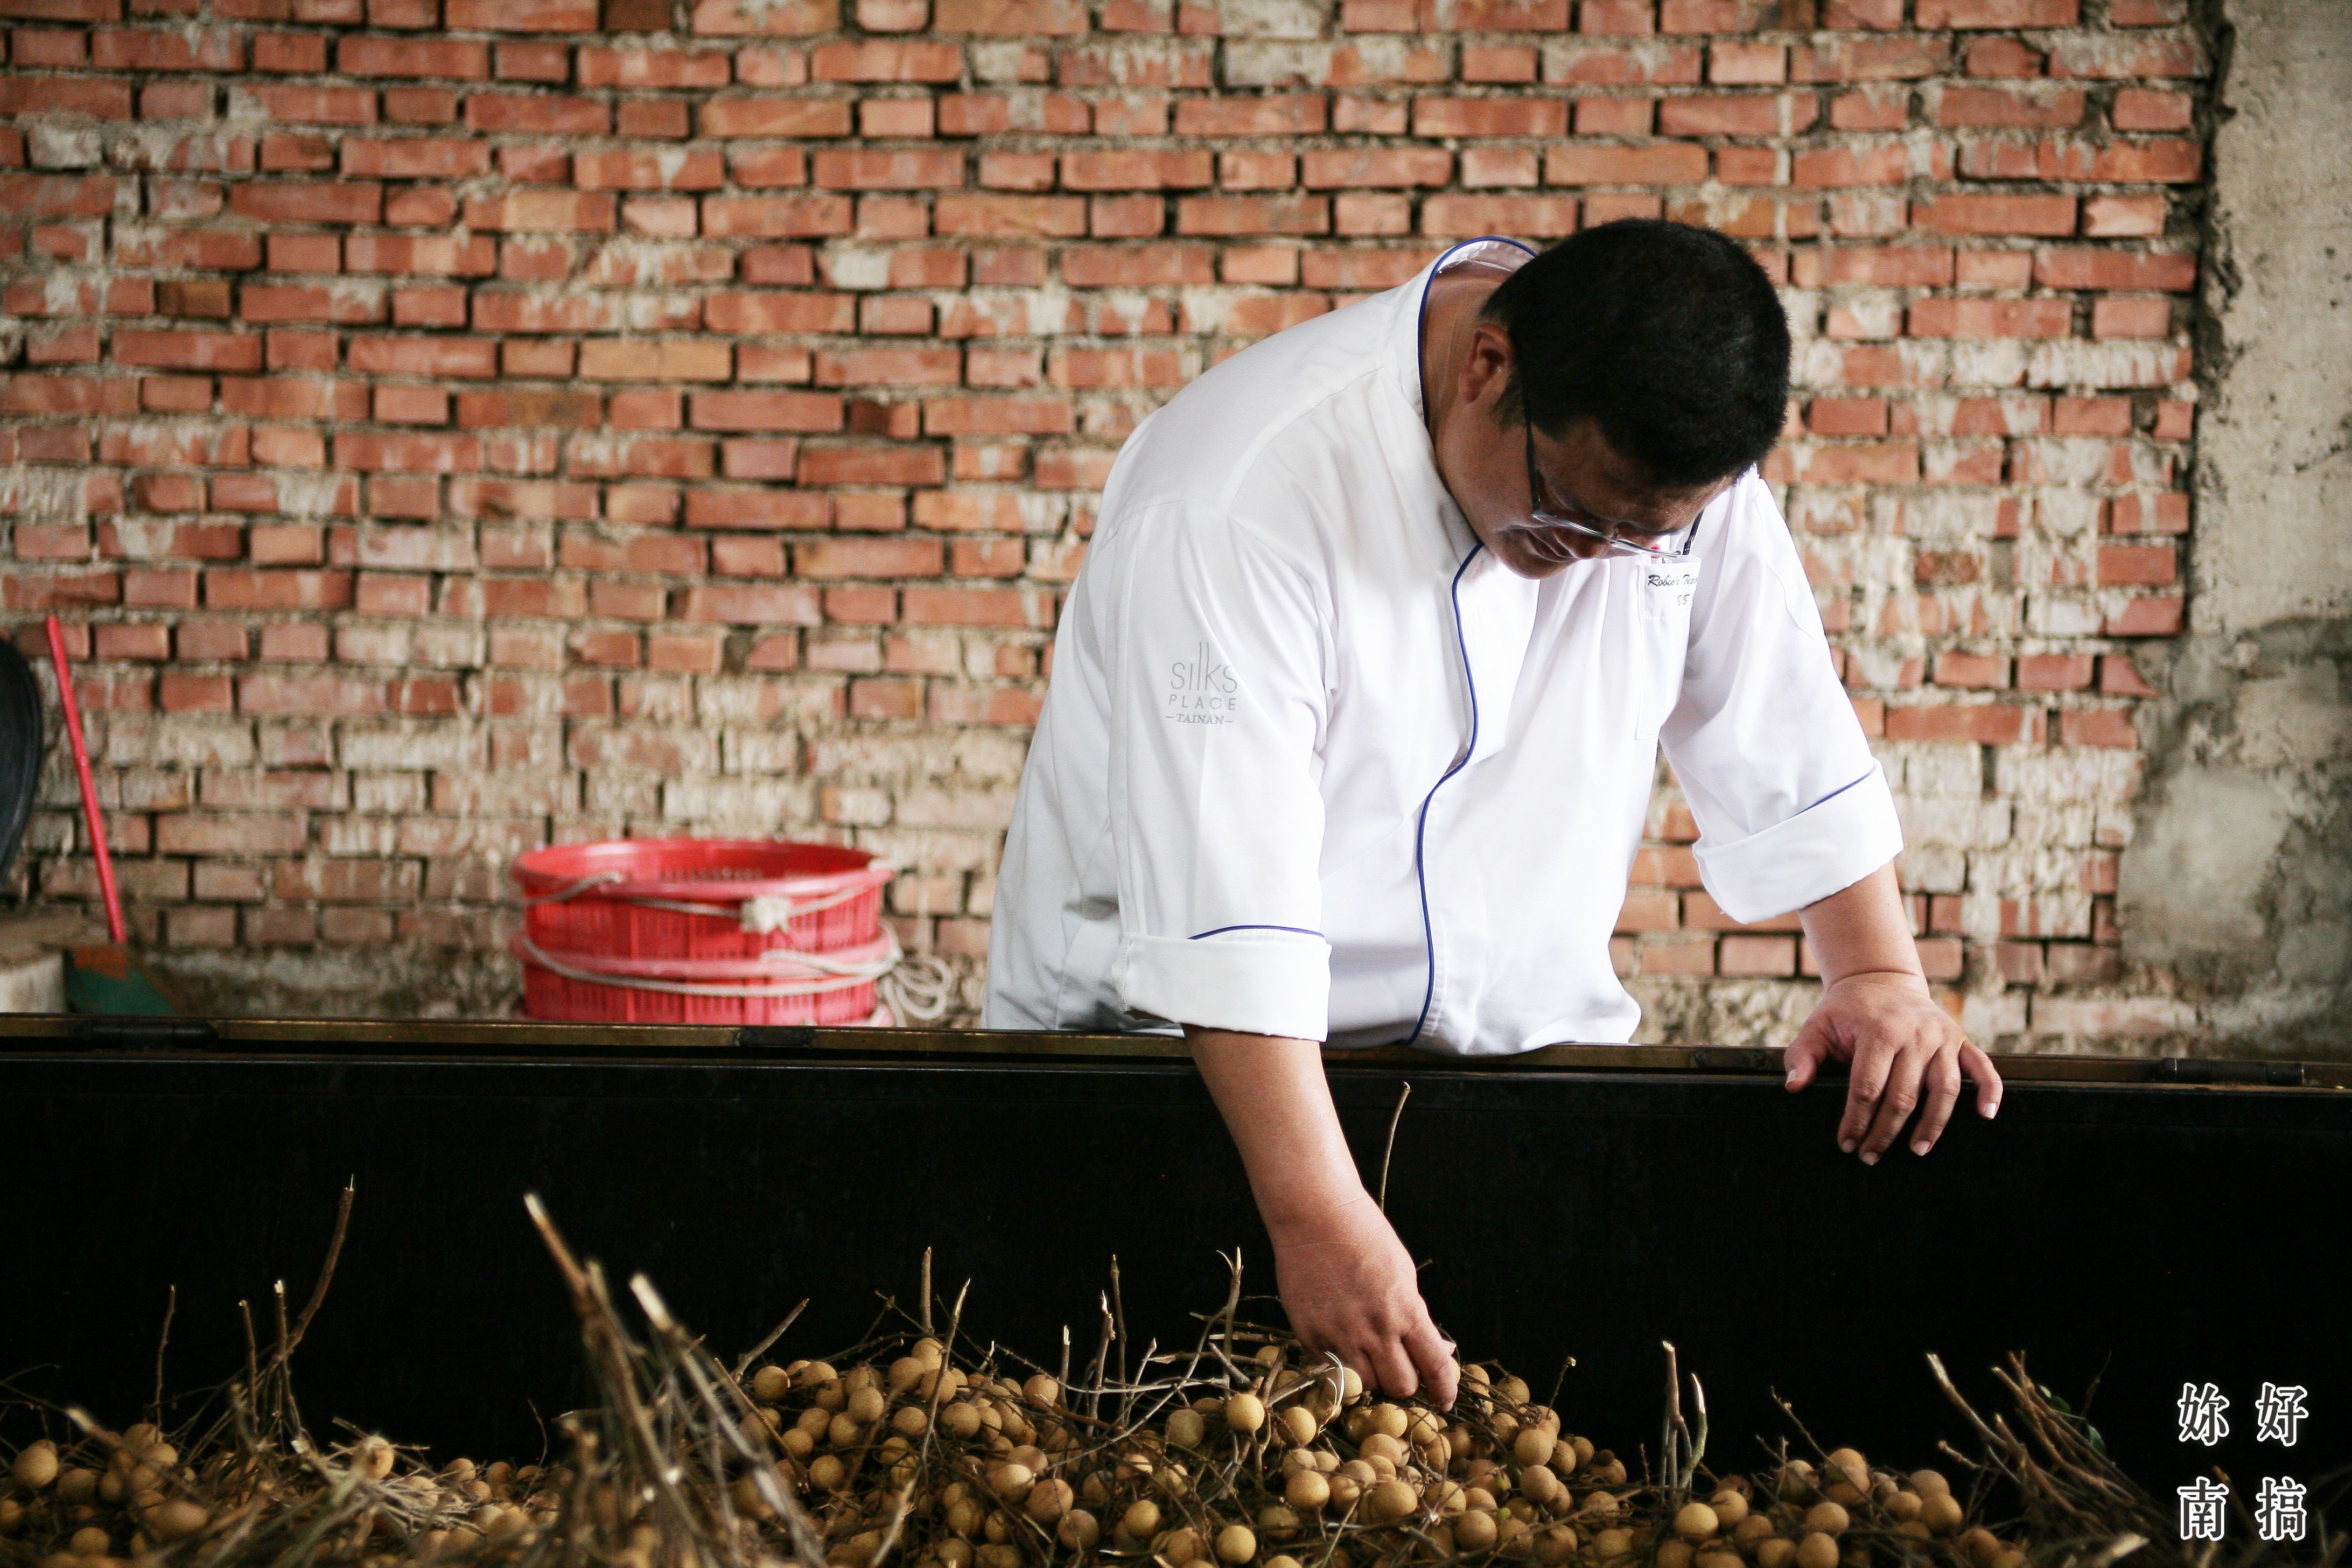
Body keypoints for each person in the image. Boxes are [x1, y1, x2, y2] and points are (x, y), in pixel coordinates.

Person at [983, 221, 2003, 1411]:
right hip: (1179, 1080)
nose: (1589, 561)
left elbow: (1780, 722)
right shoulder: (1239, 494)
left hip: (1503, 1069)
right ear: (1489, 367)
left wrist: (1875, 972)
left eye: (1639, 539)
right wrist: (1316, 1212)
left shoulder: (1661, 477)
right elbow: (1228, 904)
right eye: (1571, 516)